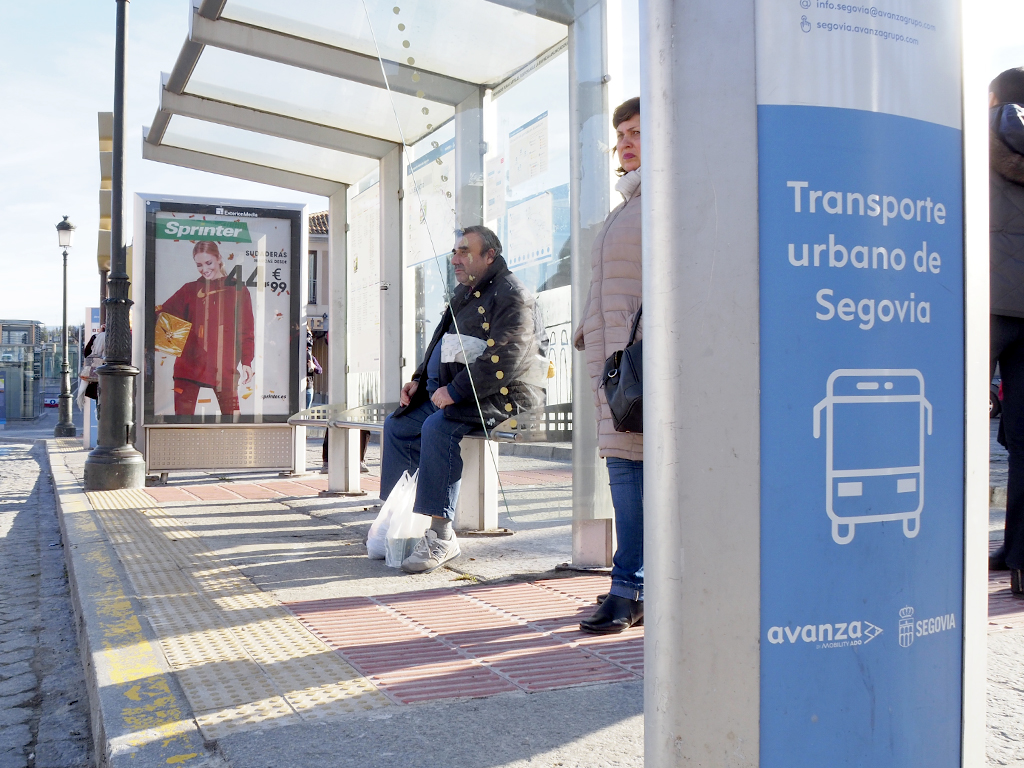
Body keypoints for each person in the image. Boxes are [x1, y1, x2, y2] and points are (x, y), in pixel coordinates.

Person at [380, 225, 547, 574]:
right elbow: (440, 342)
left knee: (437, 428)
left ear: (490, 256)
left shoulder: (512, 293)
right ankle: (398, 524)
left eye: (463, 252)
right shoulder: (466, 292)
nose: (455, 259)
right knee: (397, 425)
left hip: (502, 394)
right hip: (458, 391)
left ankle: (441, 535)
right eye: (454, 252)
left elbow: (509, 356)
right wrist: (418, 381)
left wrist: (454, 392)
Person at [573, 96, 644, 632]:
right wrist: (586, 330)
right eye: (621, 133)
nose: (626, 141)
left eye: (638, 131)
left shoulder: (663, 199)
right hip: (616, 365)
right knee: (625, 471)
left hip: (640, 366)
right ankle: (635, 584)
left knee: (630, 475)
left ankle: (629, 587)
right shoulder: (627, 205)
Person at [989, 67, 1024, 597]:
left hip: (988, 298)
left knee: (941, 419)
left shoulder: (982, 132)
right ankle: (1019, 553)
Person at [156, 241, 255, 416]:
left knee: (233, 423)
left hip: (224, 368)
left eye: (208, 263)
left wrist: (247, 361)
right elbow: (162, 315)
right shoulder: (189, 289)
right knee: (183, 426)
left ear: (219, 259)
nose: (204, 269)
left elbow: (246, 330)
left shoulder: (238, 289)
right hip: (188, 367)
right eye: (199, 265)